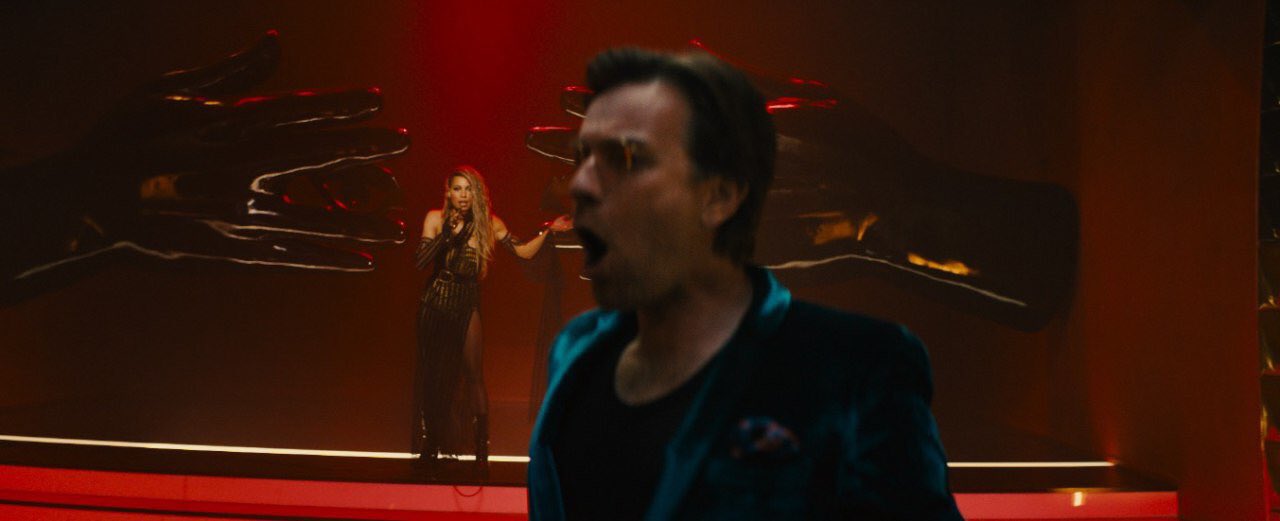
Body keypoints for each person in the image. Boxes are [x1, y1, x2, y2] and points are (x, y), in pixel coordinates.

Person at [527, 48, 963, 519]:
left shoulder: (860, 370)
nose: (581, 186)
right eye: (583, 159)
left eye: (626, 159)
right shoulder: (576, 353)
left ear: (719, 196)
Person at [413, 165, 570, 477]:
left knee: (474, 374)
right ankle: (431, 447)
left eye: (469, 189)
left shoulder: (489, 224)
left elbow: (523, 252)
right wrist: (447, 234)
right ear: (448, 192)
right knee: (433, 375)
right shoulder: (435, 218)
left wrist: (548, 231)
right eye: (457, 189)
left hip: (466, 299)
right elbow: (420, 261)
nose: (463, 195)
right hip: (435, 299)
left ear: (477, 194)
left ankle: (481, 450)